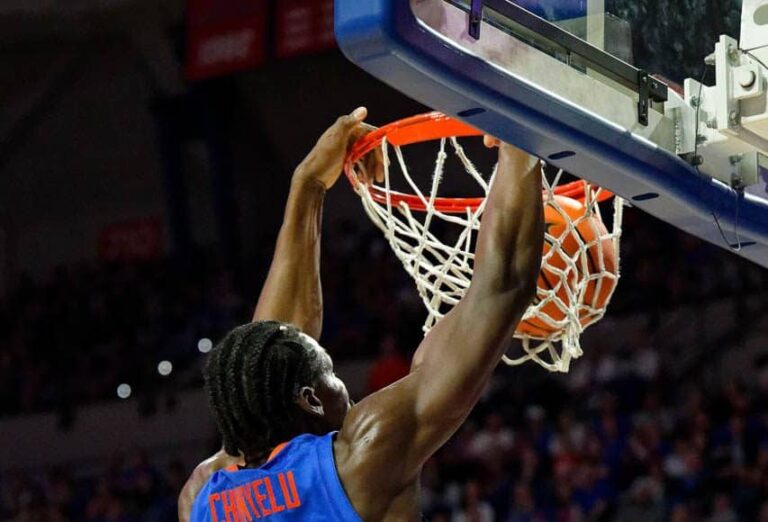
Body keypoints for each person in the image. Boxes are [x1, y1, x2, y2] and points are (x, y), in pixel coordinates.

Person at [178, 107, 544, 521]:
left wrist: (309, 185)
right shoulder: (361, 460)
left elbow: (265, 355)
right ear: (311, 398)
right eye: (331, 374)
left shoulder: (200, 498)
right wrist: (520, 141)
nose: (345, 390)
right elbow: (503, 285)